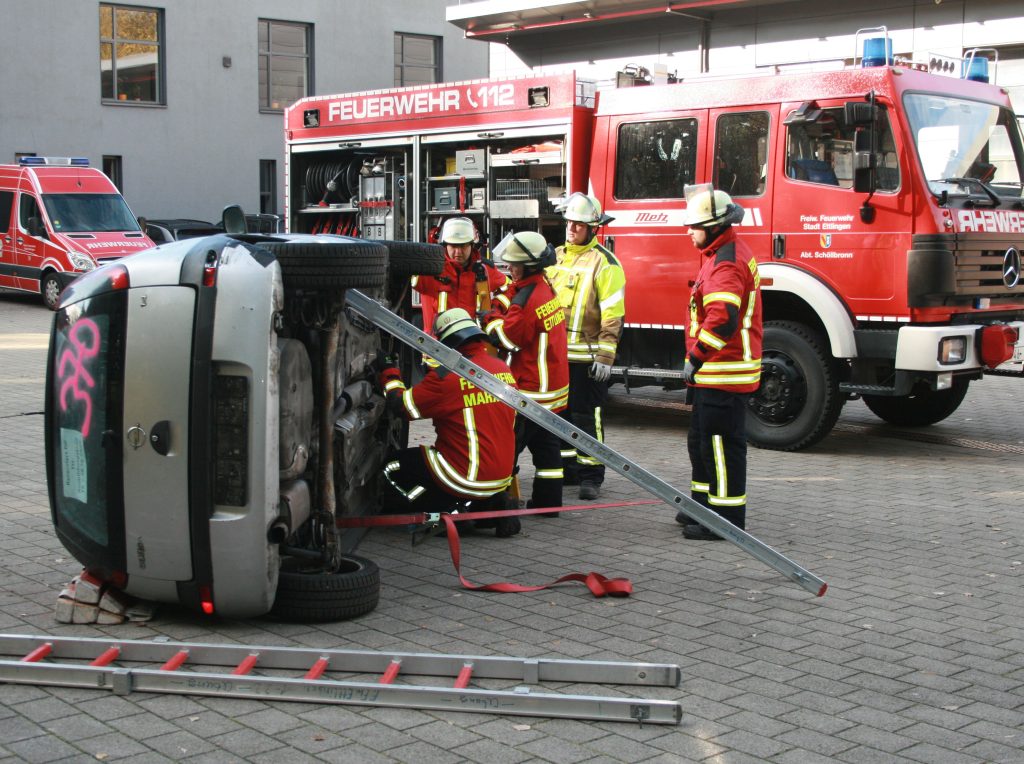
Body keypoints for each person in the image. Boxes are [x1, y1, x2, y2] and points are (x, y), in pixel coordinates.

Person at [378, 308, 521, 537]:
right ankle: (492, 505)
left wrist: (390, 373)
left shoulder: (446, 376)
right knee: (432, 454)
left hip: (462, 477)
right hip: (501, 475)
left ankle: (439, 515)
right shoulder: (502, 368)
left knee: (391, 467)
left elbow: (402, 406)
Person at [678, 183, 763, 540]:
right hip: (713, 375)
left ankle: (724, 522)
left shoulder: (726, 263)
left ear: (713, 226)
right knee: (700, 441)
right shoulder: (721, 254)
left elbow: (723, 318)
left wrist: (696, 357)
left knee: (721, 448)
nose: (689, 232)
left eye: (694, 226)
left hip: (723, 373)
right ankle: (702, 506)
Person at [546, 192, 626, 501]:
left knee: (587, 417)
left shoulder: (605, 263)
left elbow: (613, 313)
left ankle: (592, 475)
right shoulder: (555, 256)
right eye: (569, 223)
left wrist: (607, 354)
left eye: (578, 225)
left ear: (594, 228)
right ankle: (569, 470)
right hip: (556, 356)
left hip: (587, 359)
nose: (571, 229)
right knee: (561, 414)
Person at [484, 231, 569, 516]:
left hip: (531, 390)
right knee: (547, 449)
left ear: (529, 265)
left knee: (509, 447)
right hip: (553, 386)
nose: (509, 269)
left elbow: (508, 340)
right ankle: (548, 505)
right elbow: (516, 293)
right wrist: (506, 298)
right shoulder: (543, 286)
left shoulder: (526, 301)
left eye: (514, 265)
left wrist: (492, 318)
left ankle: (496, 504)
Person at [413, 217, 509, 349]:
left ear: (472, 245)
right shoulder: (431, 268)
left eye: (463, 246)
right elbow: (404, 276)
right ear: (445, 245)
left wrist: (495, 310)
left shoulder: (484, 269)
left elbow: (509, 288)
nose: (458, 252)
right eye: (453, 246)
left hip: (474, 346)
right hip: (438, 349)